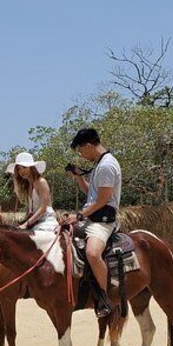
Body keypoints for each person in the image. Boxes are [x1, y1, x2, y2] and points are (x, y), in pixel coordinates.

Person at [64, 128, 122, 318]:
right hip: (92, 216)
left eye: (80, 151)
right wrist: (79, 177)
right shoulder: (100, 164)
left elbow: (103, 200)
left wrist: (78, 216)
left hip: (102, 221)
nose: (81, 155)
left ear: (88, 145)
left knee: (93, 253)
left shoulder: (106, 166)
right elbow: (92, 194)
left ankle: (107, 298)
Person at [6, 152, 58, 232]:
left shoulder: (41, 182)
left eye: (24, 167)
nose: (21, 171)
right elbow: (30, 210)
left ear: (32, 168)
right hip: (34, 222)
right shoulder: (28, 186)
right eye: (19, 168)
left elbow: (43, 208)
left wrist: (26, 224)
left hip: (46, 221)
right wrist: (23, 222)